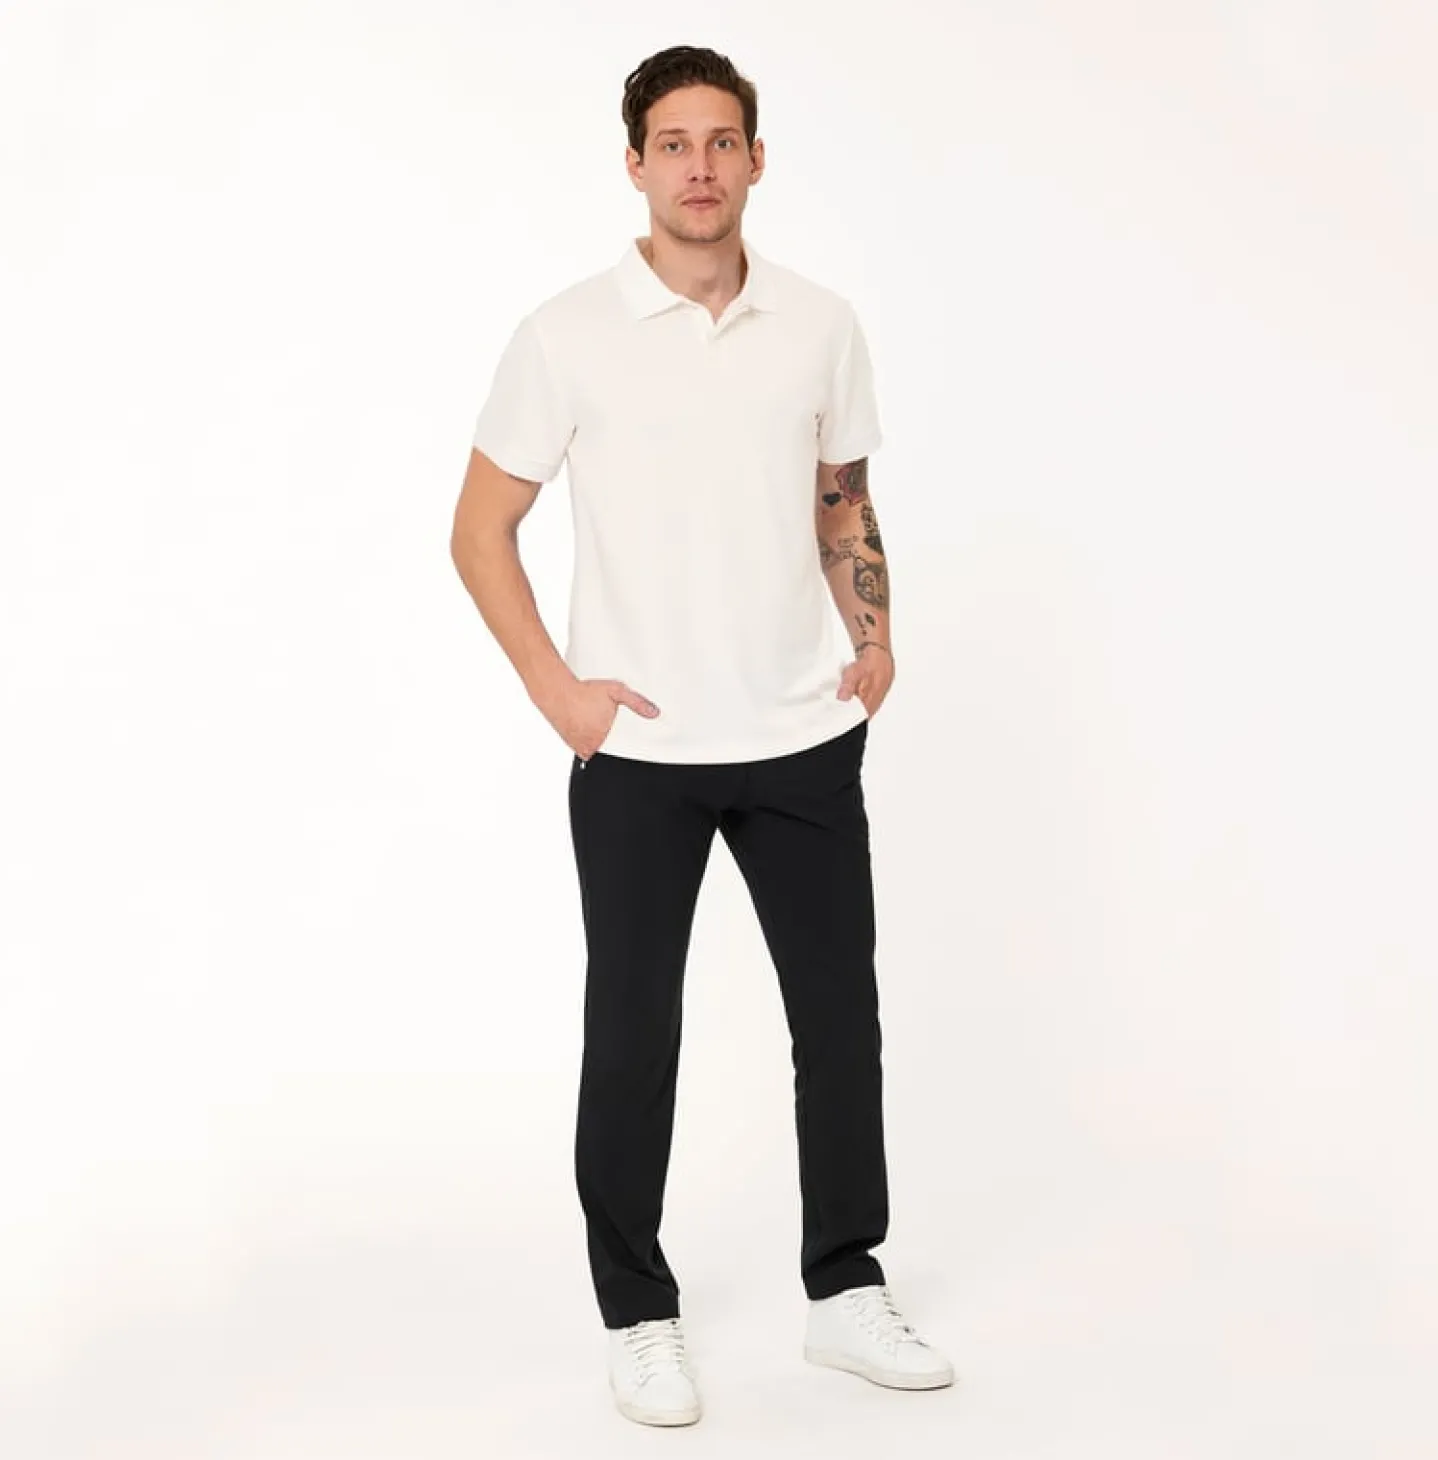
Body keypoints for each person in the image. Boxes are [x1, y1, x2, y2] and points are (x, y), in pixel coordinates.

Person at [449, 44, 954, 1427]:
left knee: (838, 1024)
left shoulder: (820, 324)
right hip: (639, 754)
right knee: (634, 1036)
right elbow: (480, 529)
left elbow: (842, 496)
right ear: (634, 164)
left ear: (757, 160)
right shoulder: (566, 333)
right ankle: (637, 1313)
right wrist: (560, 692)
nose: (699, 167)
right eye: (672, 143)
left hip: (800, 736)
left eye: (722, 141)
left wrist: (874, 632)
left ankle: (845, 1292)